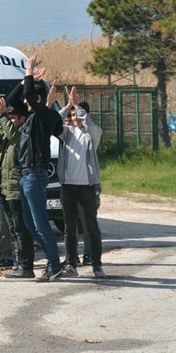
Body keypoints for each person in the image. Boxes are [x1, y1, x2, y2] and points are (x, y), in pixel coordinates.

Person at [6, 55, 64, 282]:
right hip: (25, 176)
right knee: (30, 223)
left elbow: (29, 96)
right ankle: (53, 262)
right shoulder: (30, 116)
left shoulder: (45, 115)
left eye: (30, 99)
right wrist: (24, 80)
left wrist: (29, 69)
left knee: (40, 222)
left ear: (38, 99)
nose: (25, 102)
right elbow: (12, 98)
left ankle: (54, 264)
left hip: (35, 176)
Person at [0, 96, 35, 279]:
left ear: (22, 119)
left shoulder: (23, 134)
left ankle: (27, 266)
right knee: (12, 229)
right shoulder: (8, 134)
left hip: (16, 189)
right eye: (9, 117)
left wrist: (3, 115)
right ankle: (18, 263)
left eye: (13, 118)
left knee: (21, 229)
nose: (10, 120)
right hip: (3, 189)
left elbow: (13, 136)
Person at [56, 87, 106, 279]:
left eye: (79, 114)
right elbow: (53, 123)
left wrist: (77, 104)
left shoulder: (92, 134)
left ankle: (96, 264)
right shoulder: (66, 132)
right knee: (70, 229)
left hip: (87, 187)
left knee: (91, 227)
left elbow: (91, 126)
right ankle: (71, 264)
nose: (75, 117)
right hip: (68, 187)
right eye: (73, 114)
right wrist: (68, 105)